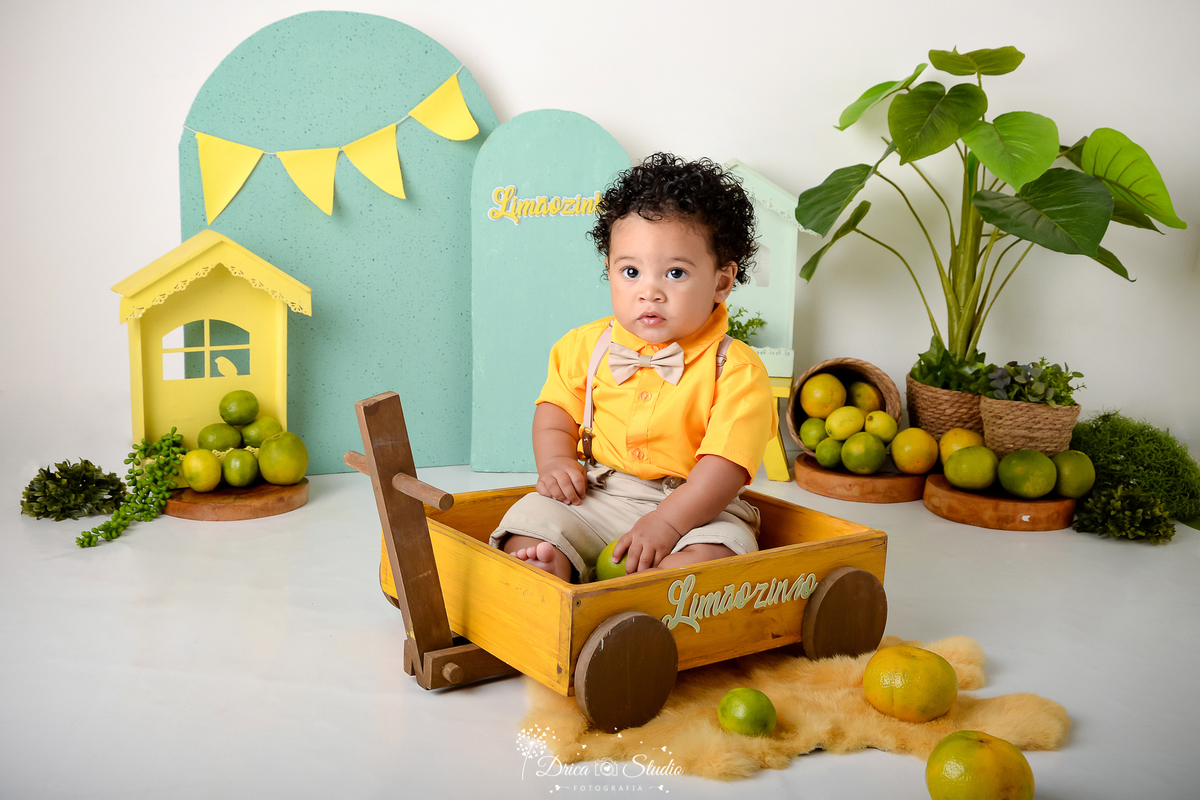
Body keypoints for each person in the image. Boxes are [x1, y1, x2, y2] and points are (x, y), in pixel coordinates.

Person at [488, 153, 778, 582]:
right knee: (530, 519)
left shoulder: (736, 370)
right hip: (599, 492)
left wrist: (668, 524)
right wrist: (556, 463)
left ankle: (658, 587)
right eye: (631, 271)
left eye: (675, 273)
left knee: (719, 549)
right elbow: (554, 413)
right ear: (608, 270)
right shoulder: (585, 346)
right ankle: (547, 566)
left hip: (697, 508)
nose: (649, 292)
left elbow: (724, 468)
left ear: (721, 282)